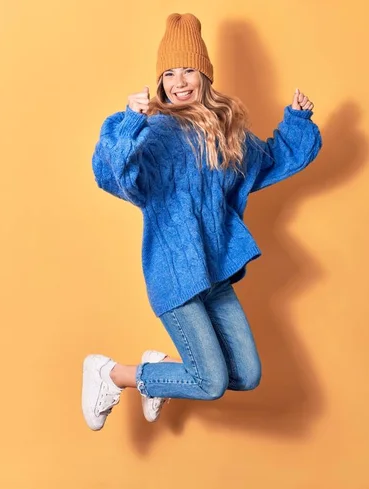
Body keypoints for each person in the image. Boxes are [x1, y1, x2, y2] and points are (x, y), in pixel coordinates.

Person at [82, 13, 322, 431]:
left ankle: (158, 377)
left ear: (204, 74)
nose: (179, 82)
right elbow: (113, 175)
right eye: (169, 73)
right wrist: (129, 124)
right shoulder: (154, 132)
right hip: (176, 273)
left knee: (246, 375)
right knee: (210, 382)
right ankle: (113, 374)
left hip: (214, 273)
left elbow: (268, 161)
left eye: (188, 70)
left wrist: (296, 122)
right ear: (160, 82)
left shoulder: (225, 129)